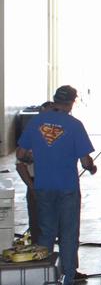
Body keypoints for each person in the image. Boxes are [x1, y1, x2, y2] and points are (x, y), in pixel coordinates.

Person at [16, 85, 96, 285]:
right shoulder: (75, 125)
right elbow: (85, 161)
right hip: (67, 189)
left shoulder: (36, 122)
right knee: (69, 236)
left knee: (45, 236)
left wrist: (39, 158)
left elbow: (21, 154)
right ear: (71, 102)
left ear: (54, 100)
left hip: (43, 188)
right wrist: (92, 167)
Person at [15, 101, 54, 243]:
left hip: (57, 184)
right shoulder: (32, 133)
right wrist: (32, 187)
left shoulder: (61, 133)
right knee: (37, 225)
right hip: (36, 182)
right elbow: (20, 165)